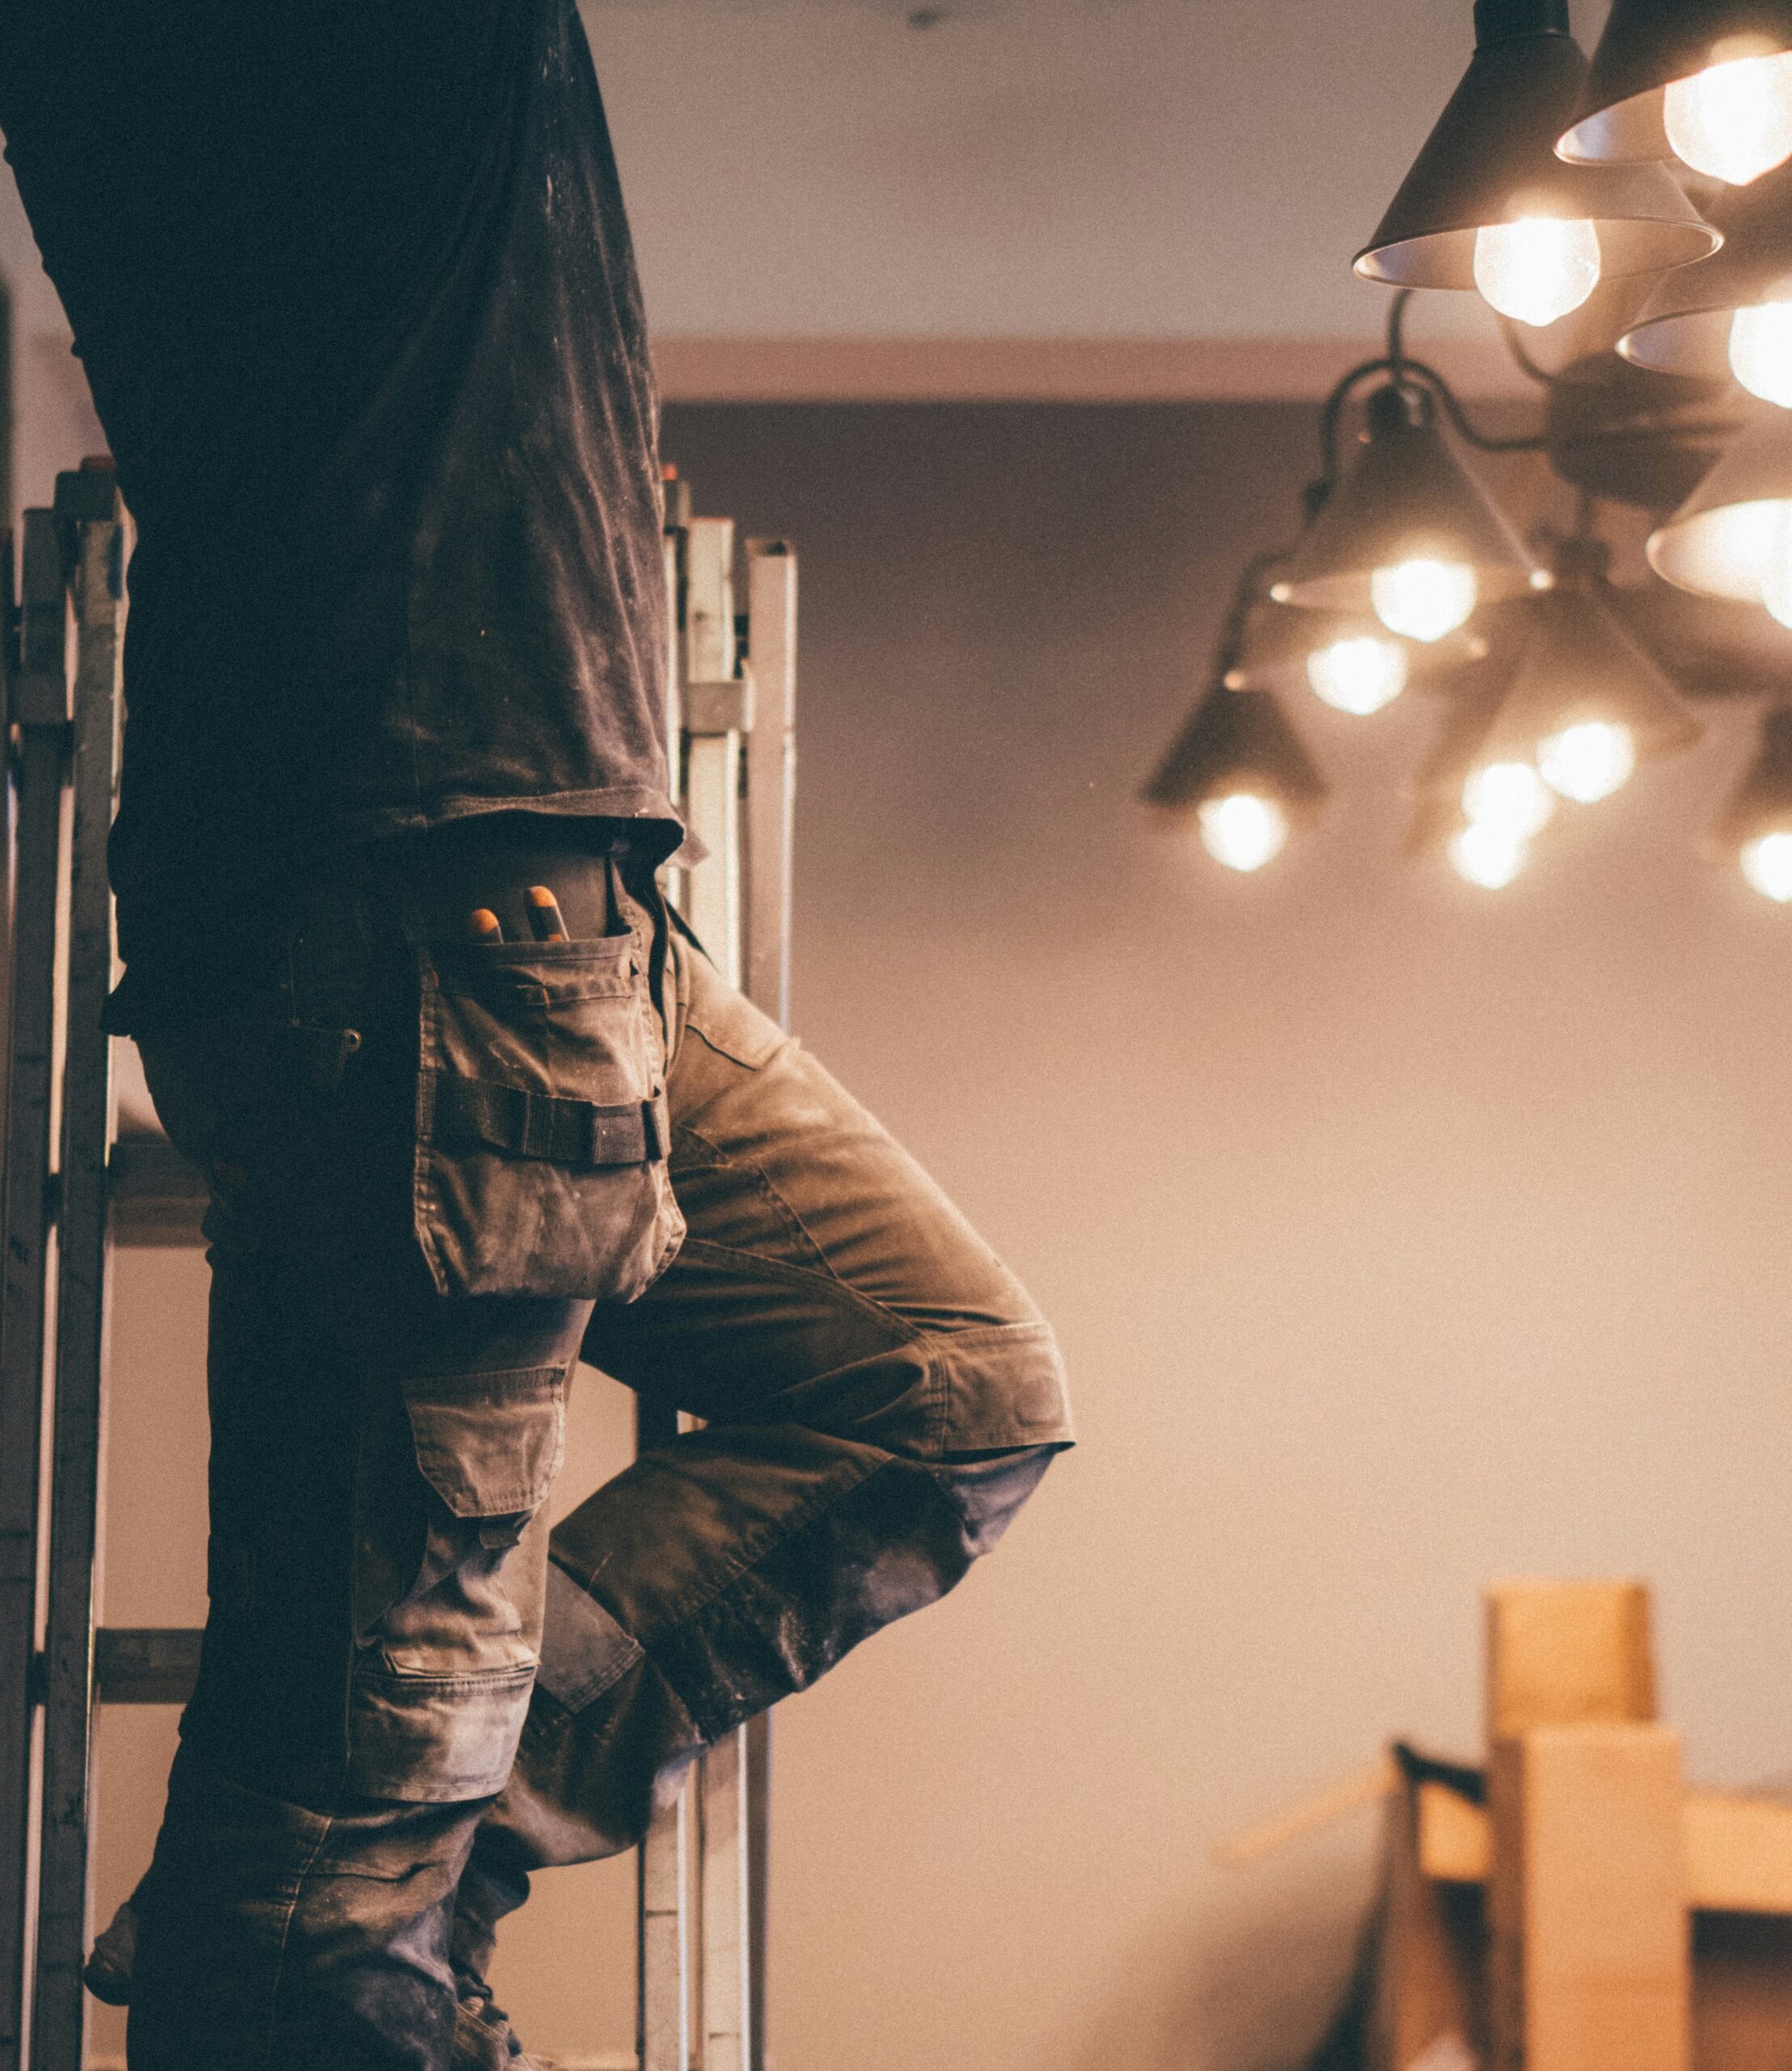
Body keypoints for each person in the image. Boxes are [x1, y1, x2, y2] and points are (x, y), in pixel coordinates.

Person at [0, 6, 1073, 2068]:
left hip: (545, 913)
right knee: (322, 1876)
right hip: (429, 925)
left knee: (944, 1385)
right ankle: (343, 1903)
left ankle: (422, 1840)